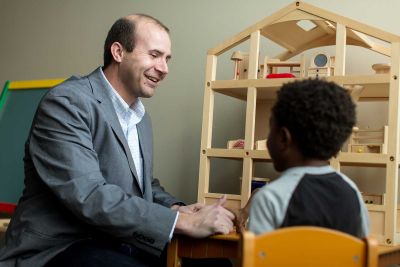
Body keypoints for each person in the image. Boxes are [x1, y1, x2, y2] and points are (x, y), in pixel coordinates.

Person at [0, 14, 235, 267]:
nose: (164, 68)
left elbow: (142, 184)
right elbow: (88, 195)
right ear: (118, 52)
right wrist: (182, 223)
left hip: (116, 240)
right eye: (154, 55)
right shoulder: (66, 103)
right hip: (59, 247)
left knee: (217, 263)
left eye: (167, 59)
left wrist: (177, 209)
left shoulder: (140, 117)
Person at [237, 79, 369, 238]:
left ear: (284, 138)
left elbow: (259, 260)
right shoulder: (353, 193)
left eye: (271, 129)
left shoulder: (269, 198)